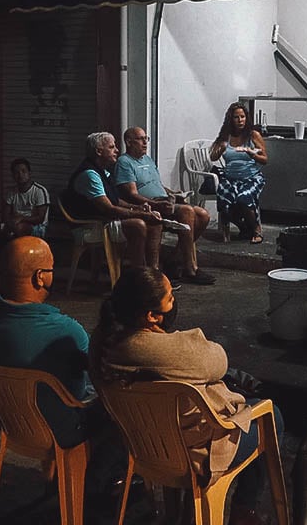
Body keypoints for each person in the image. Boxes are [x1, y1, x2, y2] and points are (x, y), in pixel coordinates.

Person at [91, 267, 281, 525]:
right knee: (272, 416)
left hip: (142, 445)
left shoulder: (102, 341)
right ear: (151, 316)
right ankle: (244, 509)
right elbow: (219, 361)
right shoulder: (164, 351)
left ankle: (179, 512)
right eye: (170, 297)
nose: (174, 301)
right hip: (193, 451)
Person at [0, 236, 123, 495]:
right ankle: (95, 485)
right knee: (122, 410)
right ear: (40, 277)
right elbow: (101, 375)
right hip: (60, 431)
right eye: (51, 269)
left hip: (12, 423)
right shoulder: (65, 330)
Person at [115, 126, 216, 286]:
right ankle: (190, 268)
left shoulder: (147, 160)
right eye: (141, 139)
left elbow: (158, 185)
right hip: (149, 204)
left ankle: (174, 259)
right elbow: (132, 194)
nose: (145, 143)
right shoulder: (124, 162)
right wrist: (156, 203)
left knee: (203, 215)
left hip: (162, 200)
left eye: (146, 139)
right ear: (129, 142)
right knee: (187, 210)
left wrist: (174, 194)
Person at [60, 131, 164, 270]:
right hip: (90, 226)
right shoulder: (90, 175)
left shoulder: (104, 171)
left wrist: (136, 207)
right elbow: (109, 208)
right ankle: (139, 273)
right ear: (98, 151)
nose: (117, 150)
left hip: (103, 220)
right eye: (111, 147)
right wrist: (141, 215)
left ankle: (153, 271)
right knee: (138, 224)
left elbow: (115, 200)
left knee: (155, 223)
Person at [209, 103, 268, 244]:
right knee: (225, 203)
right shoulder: (226, 136)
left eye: (242, 117)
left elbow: (265, 159)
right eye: (236, 117)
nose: (240, 120)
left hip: (252, 177)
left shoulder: (253, 135)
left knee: (243, 198)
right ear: (231, 119)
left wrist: (251, 153)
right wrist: (221, 147)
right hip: (230, 178)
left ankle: (256, 229)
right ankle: (244, 227)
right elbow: (213, 157)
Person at [0, 158, 50, 238]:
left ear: (29, 173)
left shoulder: (39, 191)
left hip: (36, 227)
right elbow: (6, 215)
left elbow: (40, 219)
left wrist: (22, 218)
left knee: (19, 228)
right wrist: (11, 222)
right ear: (13, 176)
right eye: (17, 173)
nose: (20, 175)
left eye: (23, 171)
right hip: (15, 223)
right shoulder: (11, 192)